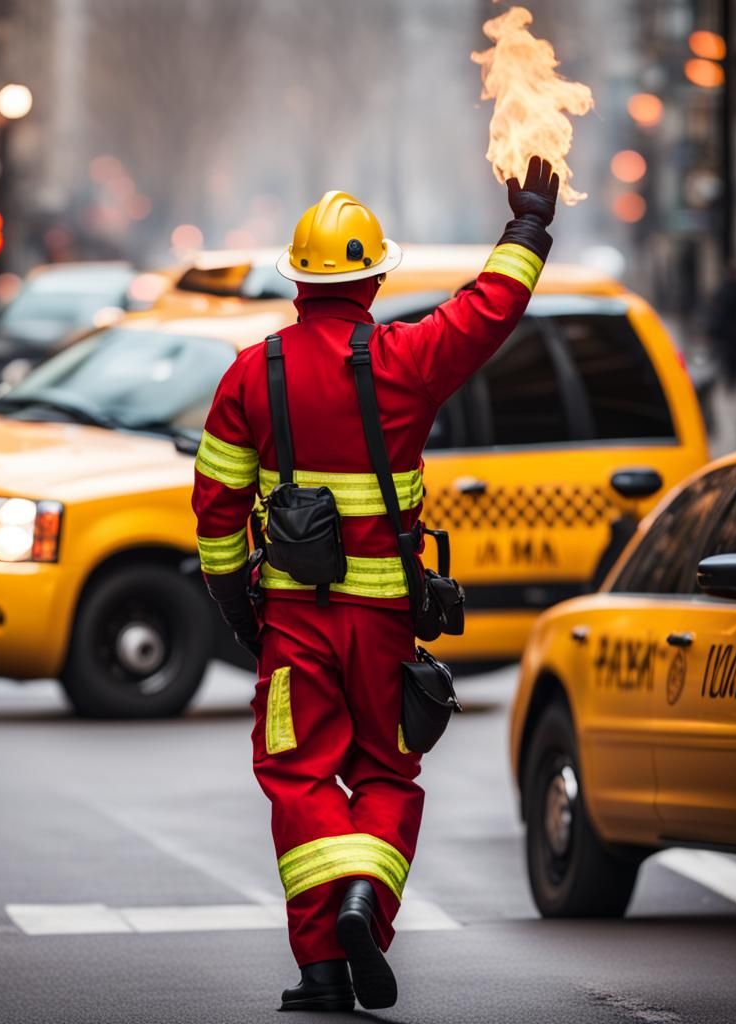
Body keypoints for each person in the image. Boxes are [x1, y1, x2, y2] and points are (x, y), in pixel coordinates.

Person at [192, 156, 558, 1012]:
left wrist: (239, 605)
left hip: (293, 622)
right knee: (388, 776)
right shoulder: (404, 360)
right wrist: (529, 229)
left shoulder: (252, 374)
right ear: (374, 278)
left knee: (297, 774)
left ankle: (322, 963)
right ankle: (366, 906)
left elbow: (216, 512)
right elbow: (486, 311)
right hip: (387, 623)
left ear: (298, 282)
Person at [706, 262, 736, 390]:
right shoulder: (732, 290)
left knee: (732, 358)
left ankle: (732, 380)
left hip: (731, 332)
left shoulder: (729, 290)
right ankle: (733, 380)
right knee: (732, 358)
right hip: (732, 332)